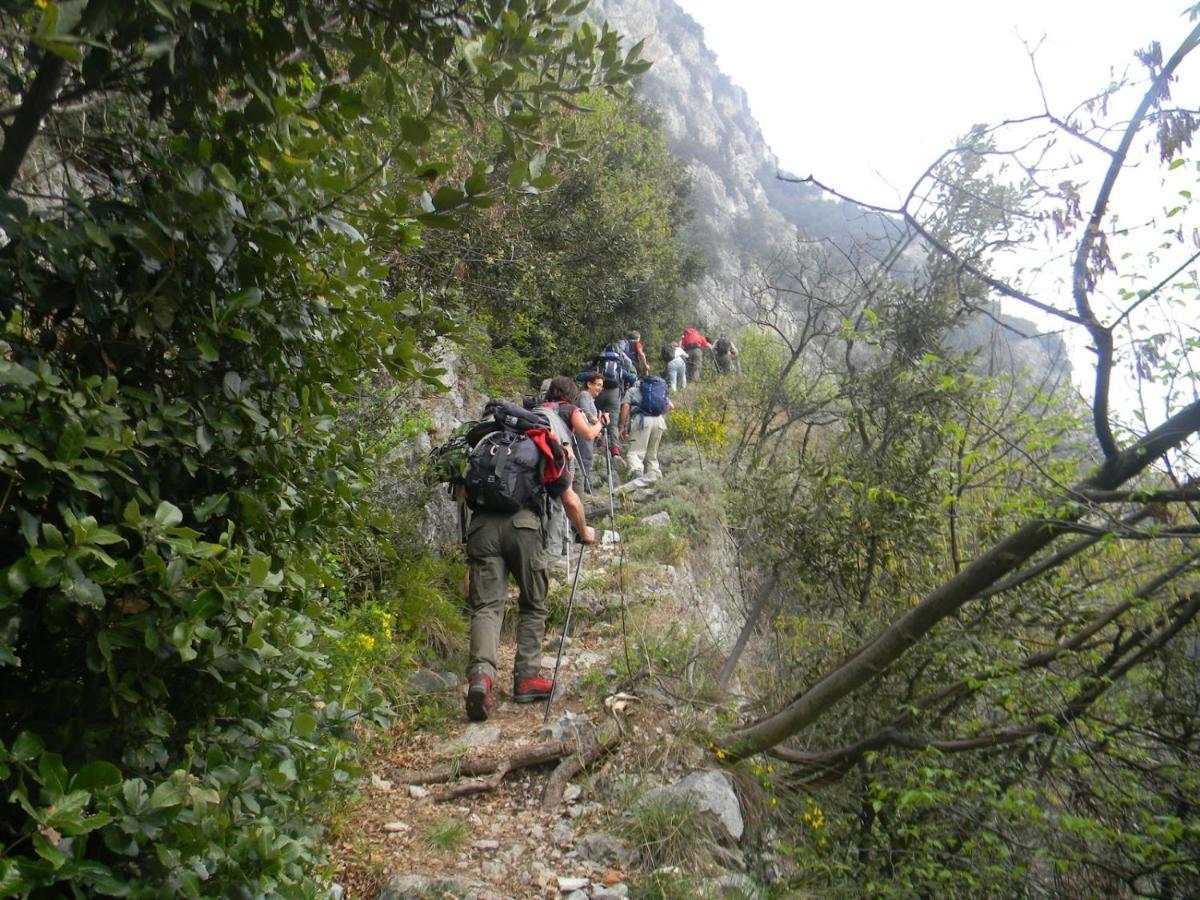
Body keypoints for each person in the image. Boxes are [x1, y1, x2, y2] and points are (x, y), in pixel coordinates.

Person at [464, 402, 597, 721]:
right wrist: (585, 532)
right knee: (533, 603)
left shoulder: (484, 442)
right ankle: (526, 679)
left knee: (487, 607)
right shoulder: (541, 443)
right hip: (523, 527)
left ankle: (481, 678)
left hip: (481, 527)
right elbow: (569, 499)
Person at [619, 374, 673, 481]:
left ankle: (637, 474)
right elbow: (671, 406)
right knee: (652, 455)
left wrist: (622, 426)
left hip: (642, 421)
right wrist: (658, 413)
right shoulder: (659, 391)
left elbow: (625, 406)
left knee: (635, 452)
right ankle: (655, 476)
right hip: (659, 421)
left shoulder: (633, 390)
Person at [592, 342, 635, 457]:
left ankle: (599, 442)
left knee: (597, 417)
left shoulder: (599, 366)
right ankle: (615, 448)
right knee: (613, 423)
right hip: (614, 395)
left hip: (599, 392)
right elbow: (632, 378)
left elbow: (584, 375)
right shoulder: (620, 367)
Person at [574, 370, 609, 490]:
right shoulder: (584, 395)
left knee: (586, 459)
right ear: (589, 384)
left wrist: (597, 430)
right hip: (582, 434)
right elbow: (584, 411)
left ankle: (585, 486)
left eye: (601, 386)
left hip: (587, 434)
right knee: (585, 459)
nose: (600, 388)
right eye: (598, 385)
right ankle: (585, 487)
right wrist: (599, 422)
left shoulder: (590, 399)